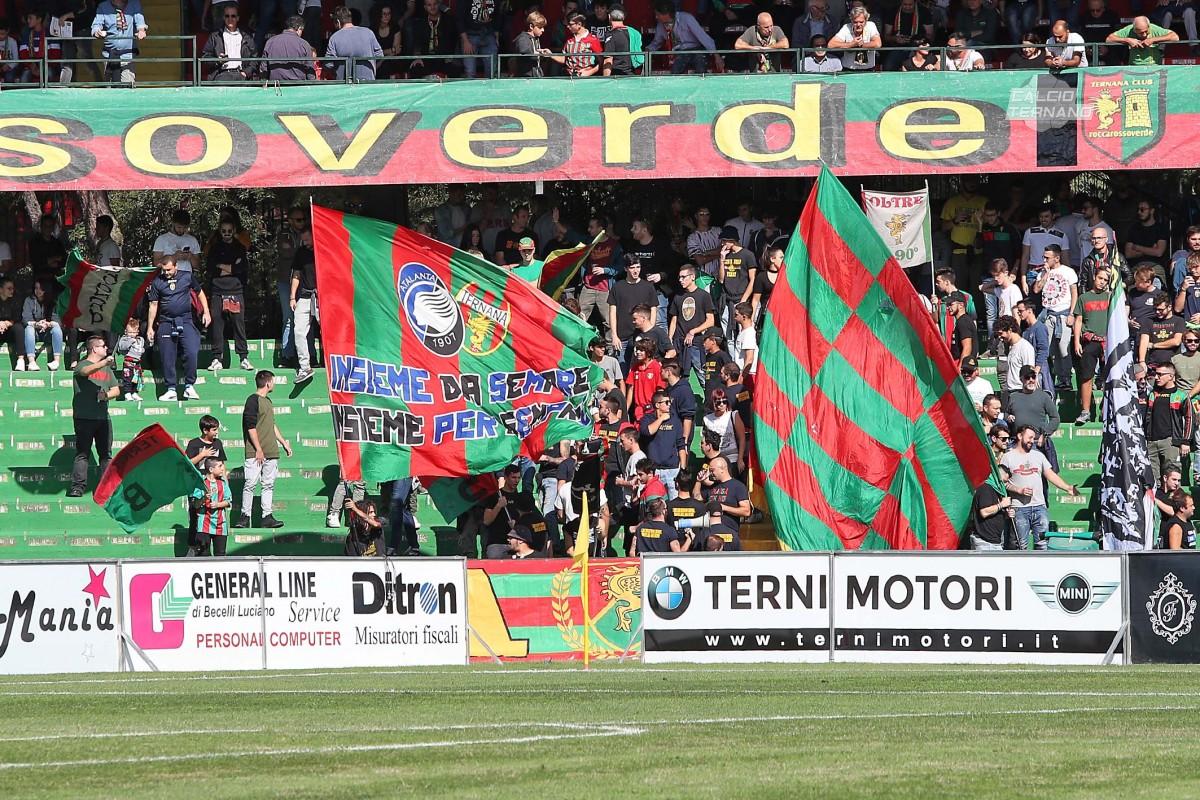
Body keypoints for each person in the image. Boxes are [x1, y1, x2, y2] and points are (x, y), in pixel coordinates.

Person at [1001, 425, 1079, 550]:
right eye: (1029, 437)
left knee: (1043, 545)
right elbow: (1002, 483)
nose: (1032, 441)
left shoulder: (1038, 456)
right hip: (1018, 508)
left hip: (1039, 507)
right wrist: (1018, 490)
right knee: (1021, 546)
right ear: (1020, 436)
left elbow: (1050, 475)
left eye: (1034, 438)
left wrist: (1068, 488)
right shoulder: (1007, 457)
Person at [237, 370, 293, 529]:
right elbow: (250, 426)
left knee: (268, 485)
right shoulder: (253, 400)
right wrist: (258, 449)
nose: (273, 384)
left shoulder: (268, 401)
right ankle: (244, 516)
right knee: (250, 483)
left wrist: (283, 442)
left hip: (271, 451)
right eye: (273, 381)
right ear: (268, 383)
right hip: (255, 452)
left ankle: (266, 516)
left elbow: (271, 424)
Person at [147, 256, 208, 401]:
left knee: (191, 351)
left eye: (169, 269)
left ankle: (189, 386)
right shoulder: (157, 281)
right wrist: (150, 327)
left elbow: (199, 293)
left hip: (186, 320)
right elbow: (153, 305)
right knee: (167, 356)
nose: (166, 272)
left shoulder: (187, 277)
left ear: (176, 266)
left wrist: (206, 311)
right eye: (164, 270)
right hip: (166, 322)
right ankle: (171, 389)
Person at [67, 334, 119, 498]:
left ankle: (107, 487)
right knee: (83, 453)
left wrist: (106, 395)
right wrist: (104, 362)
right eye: (103, 346)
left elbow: (116, 389)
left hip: (103, 418)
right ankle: (78, 487)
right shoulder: (81, 364)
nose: (105, 349)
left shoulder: (107, 369)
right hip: (84, 417)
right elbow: (85, 371)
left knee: (106, 454)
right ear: (94, 348)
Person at [206, 218, 252, 372]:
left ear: (234, 231)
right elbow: (212, 268)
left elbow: (242, 268)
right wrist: (231, 267)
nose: (226, 234)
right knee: (217, 325)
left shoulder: (240, 248)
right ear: (220, 231)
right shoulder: (214, 248)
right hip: (218, 291)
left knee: (239, 325)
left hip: (235, 291)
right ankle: (217, 358)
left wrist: (224, 267)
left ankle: (243, 357)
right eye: (223, 231)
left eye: (229, 231)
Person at [1033, 244, 1078, 392]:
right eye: (1044, 257)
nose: (1044, 260)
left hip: (1063, 313)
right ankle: (1051, 379)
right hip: (1048, 314)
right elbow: (1036, 289)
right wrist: (1045, 274)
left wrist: (1072, 313)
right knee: (1049, 348)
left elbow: (1074, 293)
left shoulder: (1068, 272)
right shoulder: (1043, 272)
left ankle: (1066, 379)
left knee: (1063, 347)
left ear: (1057, 258)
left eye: (1047, 257)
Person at [1141, 362, 1193, 483]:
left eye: (1160, 374)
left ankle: (1173, 501)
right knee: (1152, 480)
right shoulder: (1153, 394)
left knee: (1172, 477)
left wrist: (1185, 441)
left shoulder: (1181, 395)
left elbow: (1190, 418)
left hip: (1170, 442)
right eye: (1155, 374)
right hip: (1151, 442)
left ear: (1171, 376)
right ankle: (1155, 502)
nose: (1156, 377)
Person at [1072, 269, 1111, 424]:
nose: (1102, 282)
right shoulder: (1083, 297)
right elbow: (1079, 320)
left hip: (1108, 342)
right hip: (1090, 341)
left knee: (1108, 378)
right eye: (1100, 278)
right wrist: (1076, 341)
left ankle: (1106, 410)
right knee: (1087, 377)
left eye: (1106, 280)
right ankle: (1086, 411)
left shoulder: (1110, 297)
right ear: (1094, 277)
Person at [607, 256, 658, 366]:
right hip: (622, 337)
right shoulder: (617, 287)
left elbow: (654, 308)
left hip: (643, 336)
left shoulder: (648, 287)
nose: (636, 270)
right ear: (626, 269)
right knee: (622, 372)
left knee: (642, 369)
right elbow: (612, 312)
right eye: (632, 267)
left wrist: (651, 329)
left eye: (638, 267)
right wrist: (614, 335)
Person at [717, 227, 757, 359]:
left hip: (741, 299)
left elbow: (752, 280)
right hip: (727, 299)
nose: (722, 244)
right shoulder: (725, 255)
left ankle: (744, 362)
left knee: (743, 332)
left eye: (724, 241)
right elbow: (721, 279)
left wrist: (744, 300)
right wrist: (722, 260)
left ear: (732, 240)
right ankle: (733, 362)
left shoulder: (748, 255)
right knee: (728, 334)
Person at [482, 464, 537, 558]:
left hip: (518, 546)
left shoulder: (522, 498)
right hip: (497, 544)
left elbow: (532, 521)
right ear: (506, 478)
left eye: (519, 478)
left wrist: (517, 525)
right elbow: (487, 521)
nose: (516, 481)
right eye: (513, 477)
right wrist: (498, 506)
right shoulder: (495, 496)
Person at [647, 3, 718, 74]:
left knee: (701, 68)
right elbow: (656, 42)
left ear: (666, 14)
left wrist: (716, 56)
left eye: (658, 14)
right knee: (675, 71)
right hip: (680, 52)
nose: (656, 17)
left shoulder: (686, 18)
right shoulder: (660, 25)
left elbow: (703, 37)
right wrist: (648, 50)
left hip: (696, 49)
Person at [91, 0, 147, 83]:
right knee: (110, 87)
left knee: (128, 85)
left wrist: (141, 31)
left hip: (128, 55)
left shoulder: (134, 3)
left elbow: (140, 22)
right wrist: (97, 32)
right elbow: (96, 25)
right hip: (109, 55)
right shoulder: (103, 6)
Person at [290, 227, 319, 385]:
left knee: (328, 331)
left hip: (324, 297)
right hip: (306, 295)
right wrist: (292, 296)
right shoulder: (301, 252)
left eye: (308, 239)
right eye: (303, 239)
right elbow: (296, 274)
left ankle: (331, 363)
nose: (305, 242)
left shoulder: (324, 248)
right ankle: (304, 367)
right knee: (299, 330)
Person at [405, 0, 462, 78]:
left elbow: (453, 41)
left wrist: (450, 57)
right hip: (427, 58)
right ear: (425, 7)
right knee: (415, 69)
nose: (432, 7)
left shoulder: (448, 20)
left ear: (439, 5)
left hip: (444, 59)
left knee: (455, 69)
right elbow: (417, 42)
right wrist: (418, 57)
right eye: (429, 5)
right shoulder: (421, 22)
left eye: (435, 4)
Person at [326, 5, 383, 80]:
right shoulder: (368, 33)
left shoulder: (334, 38)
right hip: (367, 81)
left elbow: (328, 64)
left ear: (338, 22)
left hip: (345, 84)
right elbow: (380, 55)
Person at [201, 6, 257, 80]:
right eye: (227, 16)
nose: (230, 19)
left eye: (233, 16)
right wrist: (218, 60)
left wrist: (246, 73)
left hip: (241, 75)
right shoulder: (215, 36)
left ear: (238, 18)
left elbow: (254, 58)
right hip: (221, 75)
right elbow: (205, 57)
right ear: (224, 18)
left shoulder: (247, 37)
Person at [20, 279, 63, 372]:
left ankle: (56, 361)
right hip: (35, 332)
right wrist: (36, 324)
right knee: (28, 328)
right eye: (36, 288)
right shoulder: (29, 300)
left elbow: (57, 319)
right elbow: (25, 319)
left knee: (57, 328)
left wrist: (48, 323)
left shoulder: (53, 301)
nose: (38, 291)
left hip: (48, 332)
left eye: (41, 289)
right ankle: (31, 362)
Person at [1125, 199, 1171, 286]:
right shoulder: (1133, 229)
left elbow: (1159, 252)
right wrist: (1151, 250)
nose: (1139, 212)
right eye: (1138, 209)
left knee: (1158, 295)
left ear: (1152, 210)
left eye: (1142, 209)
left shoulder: (1161, 229)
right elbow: (1128, 254)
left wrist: (1137, 248)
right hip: (1137, 267)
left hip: (1155, 267)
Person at [193, 458, 233, 556]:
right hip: (204, 524)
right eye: (219, 466)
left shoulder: (223, 484)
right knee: (203, 555)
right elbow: (195, 505)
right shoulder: (201, 483)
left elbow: (228, 501)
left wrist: (218, 504)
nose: (222, 469)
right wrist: (203, 499)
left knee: (220, 555)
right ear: (211, 469)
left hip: (220, 525)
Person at [704, 388, 747, 476]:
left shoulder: (733, 415)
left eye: (725, 401)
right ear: (713, 403)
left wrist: (740, 459)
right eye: (718, 402)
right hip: (716, 460)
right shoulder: (707, 419)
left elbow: (742, 438)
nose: (722, 404)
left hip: (733, 459)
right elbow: (705, 442)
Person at [702, 455, 751, 533]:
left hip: (728, 532)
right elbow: (697, 498)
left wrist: (723, 507)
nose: (710, 473)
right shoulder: (711, 486)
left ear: (722, 469)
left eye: (712, 470)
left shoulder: (738, 486)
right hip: (710, 531)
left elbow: (746, 511)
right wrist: (698, 481)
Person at [970, 466, 1012, 551]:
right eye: (1004, 482)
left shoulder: (998, 491)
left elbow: (997, 513)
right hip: (984, 542)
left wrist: (1008, 514)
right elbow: (984, 512)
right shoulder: (986, 489)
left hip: (995, 541)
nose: (1004, 485)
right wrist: (1001, 505)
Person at [1139, 292, 1185, 368]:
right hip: (1152, 362)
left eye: (1160, 309)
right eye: (1155, 309)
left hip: (1173, 363)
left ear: (1169, 307)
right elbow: (1144, 341)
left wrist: (1154, 345)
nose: (1157, 312)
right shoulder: (1148, 321)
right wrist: (1142, 361)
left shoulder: (1179, 321)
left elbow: (1176, 341)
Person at [263, 16, 317, 80]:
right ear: (299, 28)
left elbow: (263, 67)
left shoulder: (270, 41)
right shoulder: (304, 44)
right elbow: (310, 70)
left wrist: (264, 82)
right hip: (298, 86)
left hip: (276, 86)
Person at [995, 315, 1034, 406]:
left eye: (1001, 333)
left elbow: (1029, 374)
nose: (1000, 337)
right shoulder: (1011, 347)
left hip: (1021, 392)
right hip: (1010, 392)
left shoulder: (1025, 347)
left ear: (1010, 330)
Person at [828, 6, 880, 70]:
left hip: (868, 70)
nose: (858, 25)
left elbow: (877, 44)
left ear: (866, 20)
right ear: (851, 20)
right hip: (849, 70)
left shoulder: (871, 25)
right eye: (855, 22)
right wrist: (851, 45)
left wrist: (862, 45)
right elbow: (831, 45)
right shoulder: (846, 27)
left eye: (861, 22)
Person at [114, 317, 145, 401]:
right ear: (125, 331)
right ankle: (127, 393)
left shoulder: (140, 340)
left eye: (133, 332)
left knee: (136, 379)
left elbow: (141, 348)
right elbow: (121, 348)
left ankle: (134, 392)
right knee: (128, 378)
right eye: (129, 332)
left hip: (137, 363)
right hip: (128, 362)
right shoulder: (125, 339)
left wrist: (142, 350)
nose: (131, 334)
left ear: (137, 332)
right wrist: (130, 341)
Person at [513, 11, 551, 77]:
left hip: (536, 75)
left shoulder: (536, 39)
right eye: (540, 27)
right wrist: (540, 54)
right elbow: (525, 51)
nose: (543, 30)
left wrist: (542, 53)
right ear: (531, 26)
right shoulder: (523, 38)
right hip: (526, 77)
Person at [946, 291, 976, 367]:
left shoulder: (963, 322)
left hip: (963, 365)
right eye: (947, 305)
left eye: (951, 304)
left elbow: (967, 347)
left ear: (961, 305)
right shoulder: (962, 321)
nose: (948, 307)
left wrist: (960, 368)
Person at [372, 5, 403, 78]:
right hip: (376, 60)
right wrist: (389, 50)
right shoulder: (372, 29)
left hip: (390, 60)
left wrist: (382, 59)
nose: (387, 16)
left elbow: (396, 50)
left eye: (389, 14)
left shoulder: (395, 28)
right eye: (384, 14)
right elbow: (372, 52)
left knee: (387, 65)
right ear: (379, 15)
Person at [734, 301, 758, 377]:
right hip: (743, 373)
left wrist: (742, 377)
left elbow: (749, 358)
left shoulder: (749, 333)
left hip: (748, 374)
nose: (734, 317)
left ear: (744, 316)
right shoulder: (744, 332)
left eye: (736, 315)